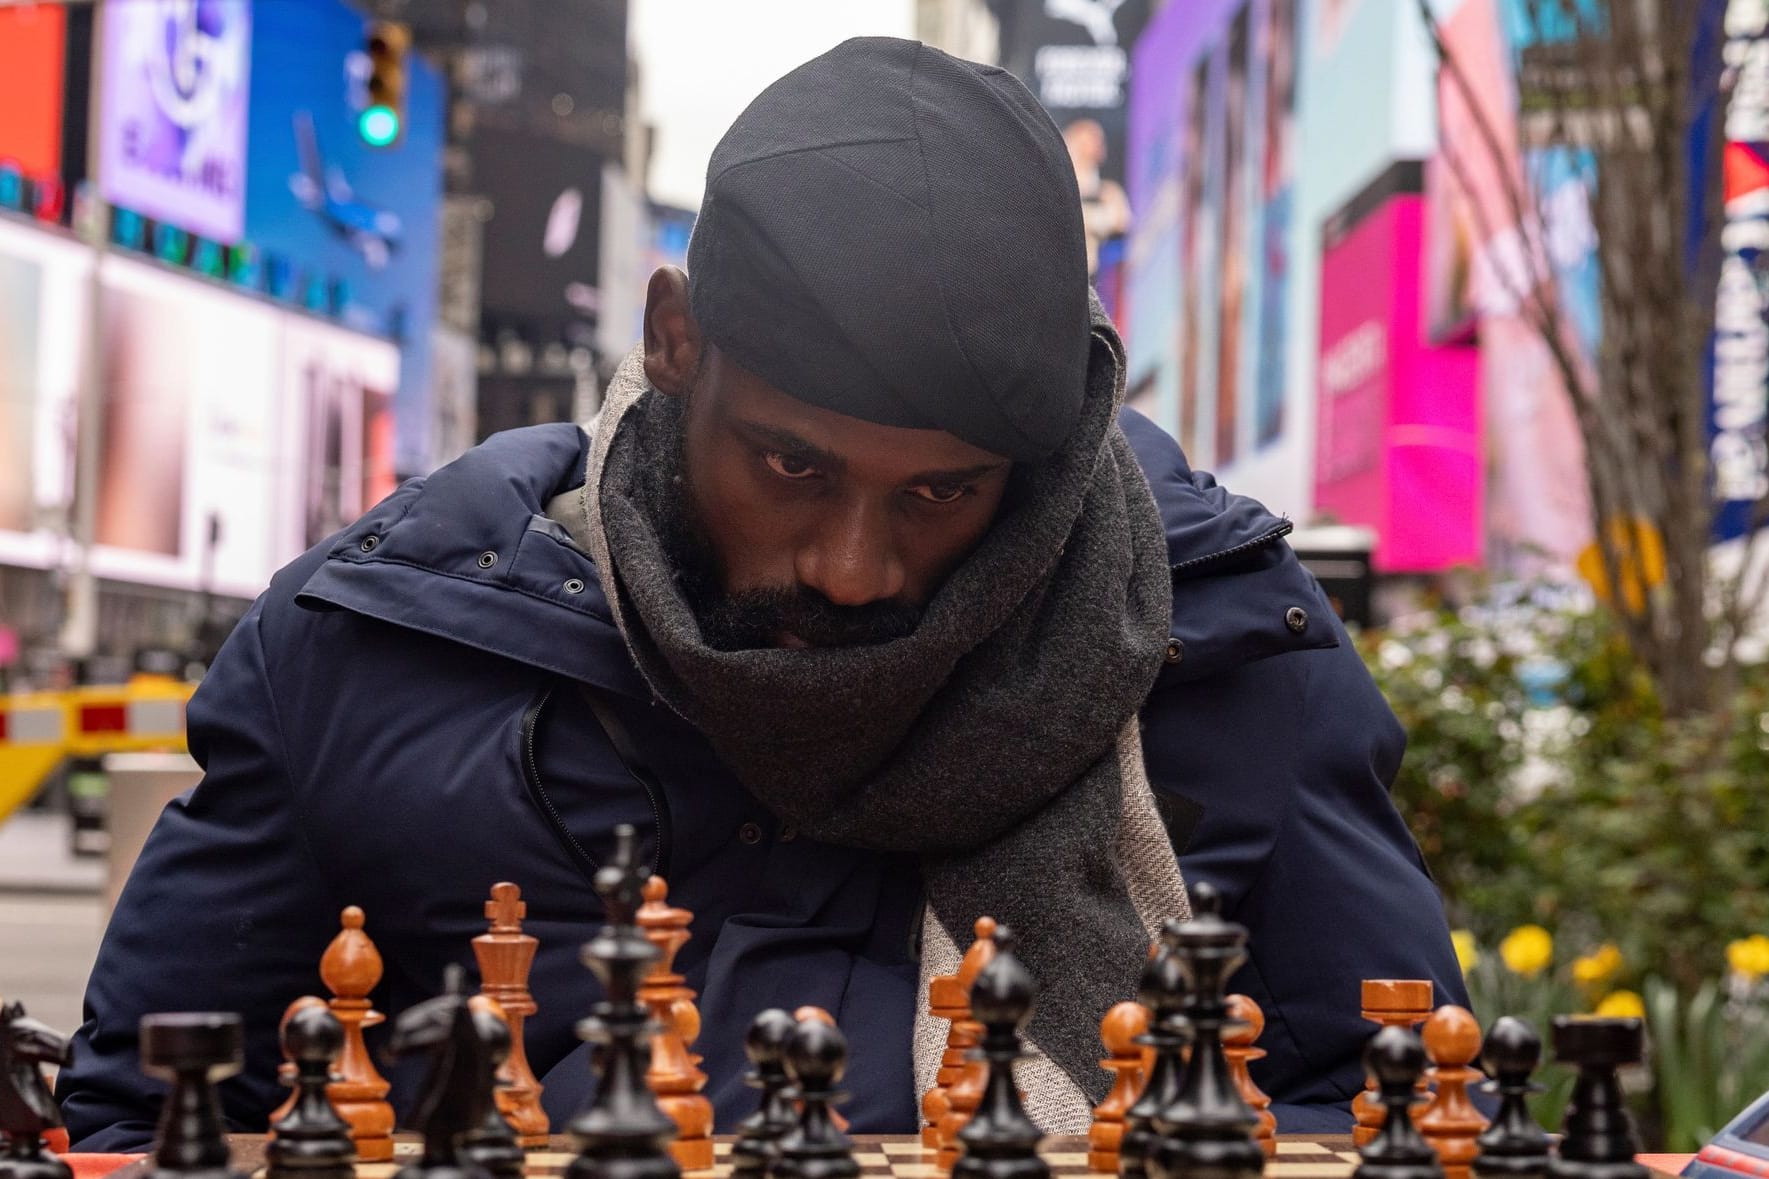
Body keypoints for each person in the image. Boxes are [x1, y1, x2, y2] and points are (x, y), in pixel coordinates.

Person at [58, 38, 1464, 1149]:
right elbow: (147, 1117)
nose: (852, 568)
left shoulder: (1225, 655)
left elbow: (1402, 1111)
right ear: (674, 340)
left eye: (941, 494)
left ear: (1054, 450)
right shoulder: (372, 650)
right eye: (790, 466)